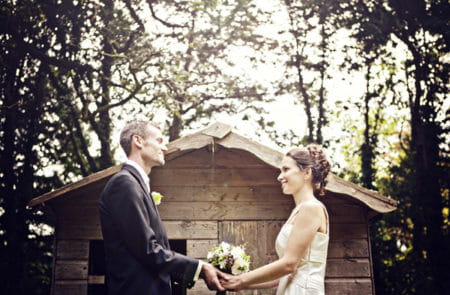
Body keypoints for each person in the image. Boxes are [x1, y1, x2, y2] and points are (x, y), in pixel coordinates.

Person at [99, 120, 226, 295]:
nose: (165, 148)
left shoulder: (135, 185)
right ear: (138, 141)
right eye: (159, 141)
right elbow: (148, 249)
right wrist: (199, 268)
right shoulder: (124, 183)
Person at [221, 144, 331, 295]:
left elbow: (289, 265)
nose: (279, 177)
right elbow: (284, 275)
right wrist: (239, 284)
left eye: (286, 169)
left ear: (307, 172)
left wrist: (240, 280)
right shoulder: (298, 211)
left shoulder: (311, 208)